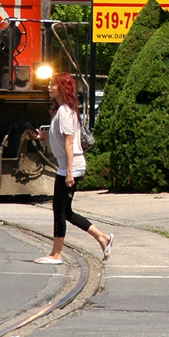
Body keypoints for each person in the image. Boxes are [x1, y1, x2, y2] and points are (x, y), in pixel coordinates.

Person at [33, 73, 114, 264]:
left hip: (71, 166)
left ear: (62, 89)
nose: (49, 87)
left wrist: (69, 172)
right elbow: (62, 139)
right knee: (65, 211)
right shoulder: (62, 110)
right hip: (66, 166)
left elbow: (70, 143)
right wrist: (43, 137)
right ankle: (103, 238)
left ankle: (56, 254)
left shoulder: (66, 112)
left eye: (53, 85)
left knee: (59, 211)